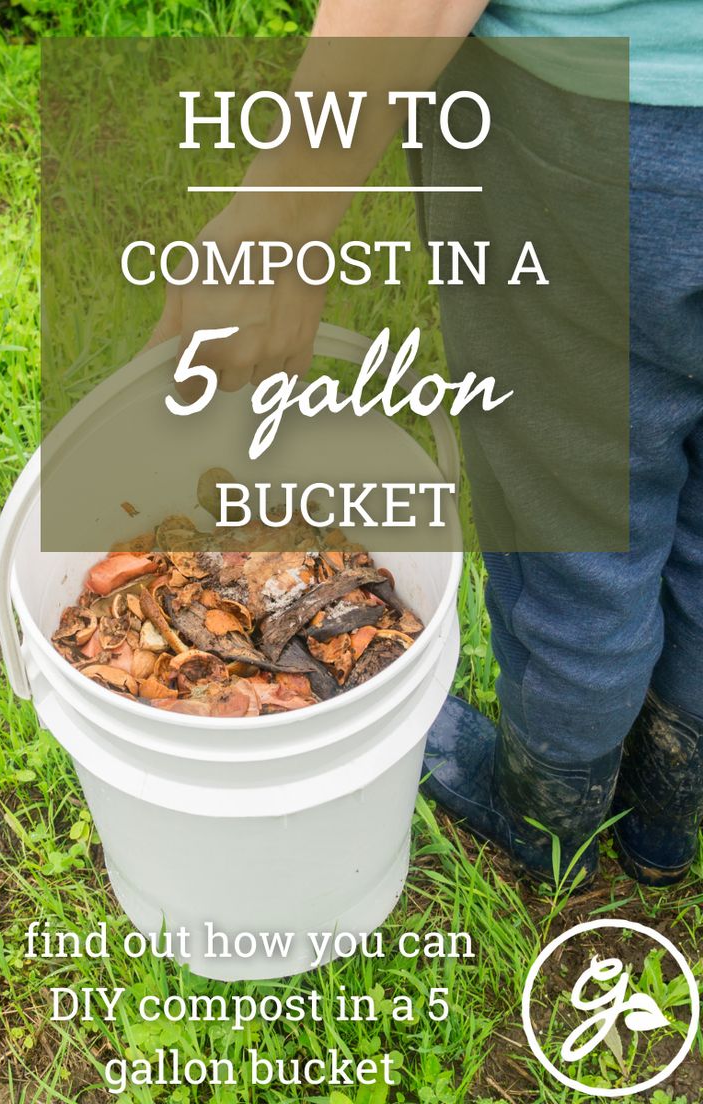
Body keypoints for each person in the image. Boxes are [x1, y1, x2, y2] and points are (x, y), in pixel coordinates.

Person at [149, 1, 703, 888]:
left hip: (598, 125)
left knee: (582, 533)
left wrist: (283, 219)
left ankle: (546, 820)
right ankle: (665, 823)